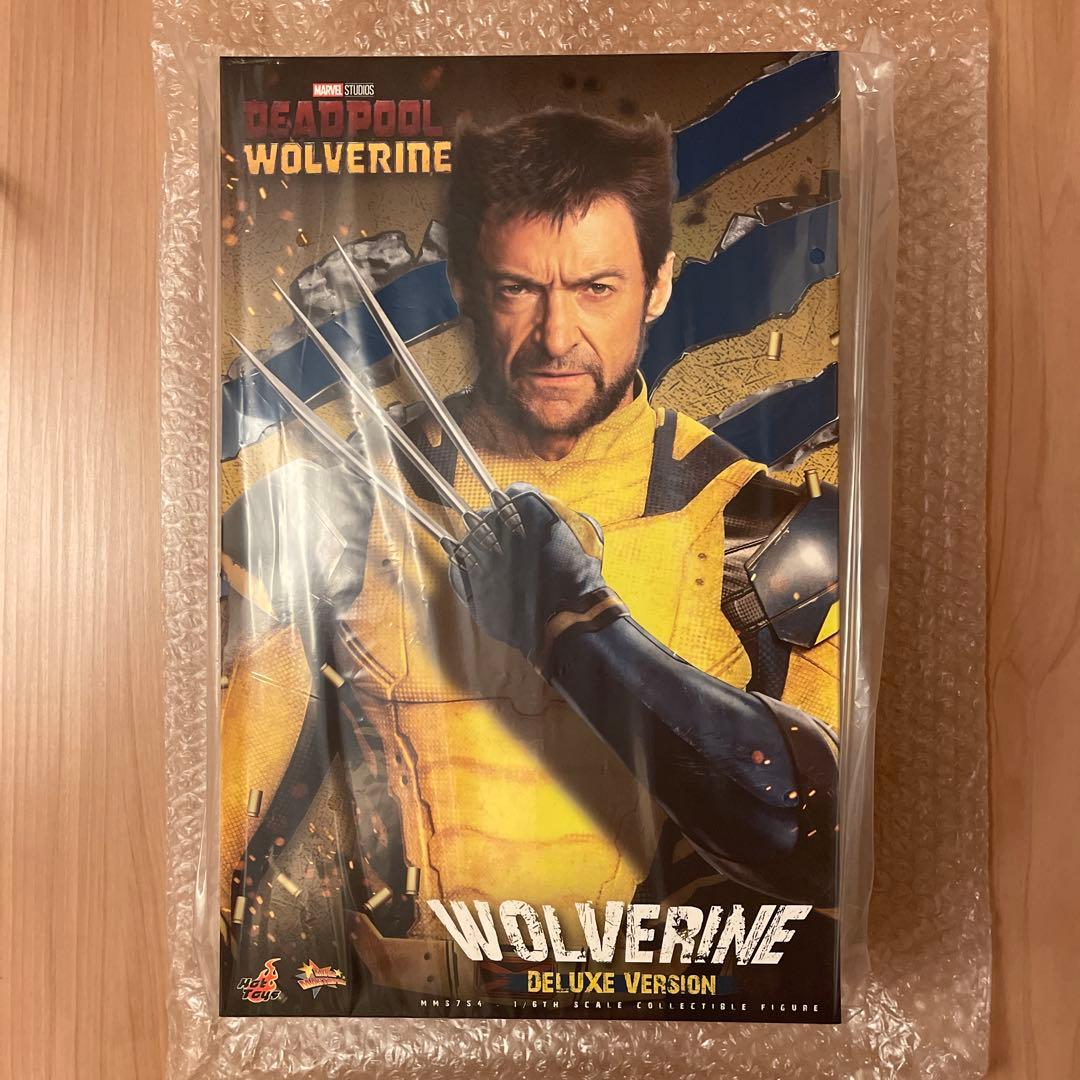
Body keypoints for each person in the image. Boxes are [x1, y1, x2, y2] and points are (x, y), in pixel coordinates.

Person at [220, 108, 840, 1010]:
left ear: (659, 285)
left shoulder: (763, 533)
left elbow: (826, 849)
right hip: (407, 1039)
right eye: (518, 288)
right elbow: (201, 849)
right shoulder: (333, 517)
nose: (556, 337)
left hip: (667, 1040)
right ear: (466, 288)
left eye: (596, 288)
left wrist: (573, 623)